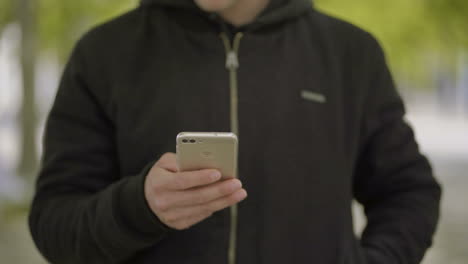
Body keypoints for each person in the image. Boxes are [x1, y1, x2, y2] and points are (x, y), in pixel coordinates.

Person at [29, 0, 442, 263]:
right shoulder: (103, 54)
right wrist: (137, 209)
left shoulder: (351, 54)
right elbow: (54, 223)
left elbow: (409, 192)